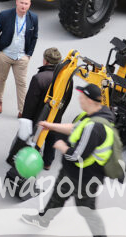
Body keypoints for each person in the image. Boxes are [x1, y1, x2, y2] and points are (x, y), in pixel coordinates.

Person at [21, 84, 113, 236]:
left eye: (82, 97)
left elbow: (77, 155)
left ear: (90, 101)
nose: (79, 99)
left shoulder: (95, 127)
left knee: (87, 210)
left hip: (86, 177)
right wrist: (50, 126)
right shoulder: (93, 114)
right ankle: (43, 220)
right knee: (58, 195)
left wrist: (60, 145)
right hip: (72, 170)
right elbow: (74, 128)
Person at [19, 47, 70, 170]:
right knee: (52, 135)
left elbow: (31, 102)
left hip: (38, 117)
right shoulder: (67, 80)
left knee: (35, 139)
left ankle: (29, 161)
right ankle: (47, 162)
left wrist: (26, 119)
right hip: (56, 115)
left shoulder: (39, 78)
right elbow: (67, 99)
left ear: (45, 61)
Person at [0, 0, 39, 117]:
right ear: (17, 2)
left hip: (22, 57)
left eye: (26, 3)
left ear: (29, 5)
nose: (23, 6)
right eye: (22, 3)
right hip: (5, 55)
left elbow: (34, 37)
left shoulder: (33, 18)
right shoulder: (5, 15)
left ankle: (22, 110)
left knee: (22, 83)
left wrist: (29, 54)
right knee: (1, 79)